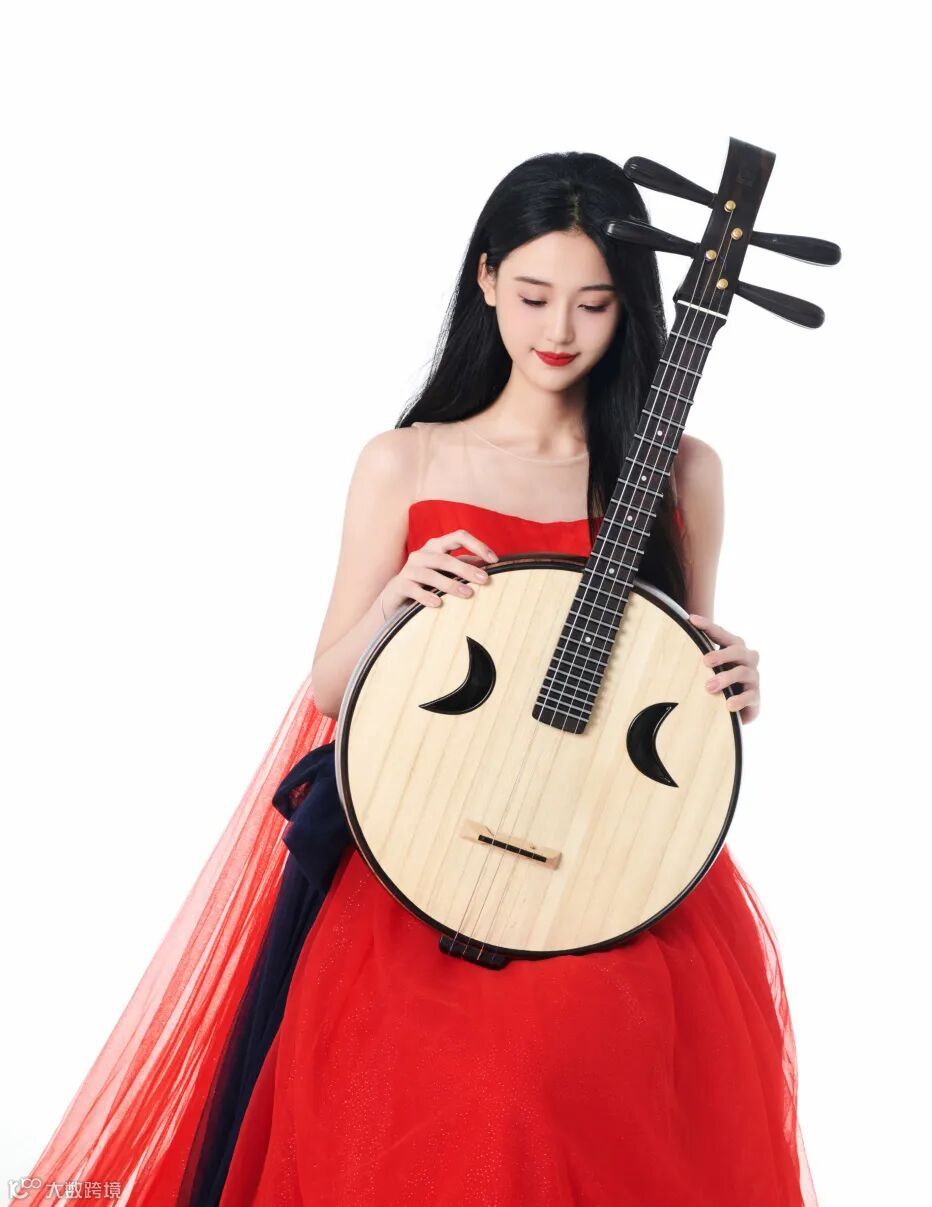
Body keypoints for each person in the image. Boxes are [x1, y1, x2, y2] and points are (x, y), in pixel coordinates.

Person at [12, 151, 817, 1206]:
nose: (558, 330)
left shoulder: (682, 471)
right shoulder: (408, 462)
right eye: (532, 295)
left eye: (593, 303)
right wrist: (397, 597)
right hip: (422, 844)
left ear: (632, 305)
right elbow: (329, 686)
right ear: (485, 278)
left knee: (563, 1084)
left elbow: (670, 675)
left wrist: (731, 679)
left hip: (605, 857)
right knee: (431, 1107)